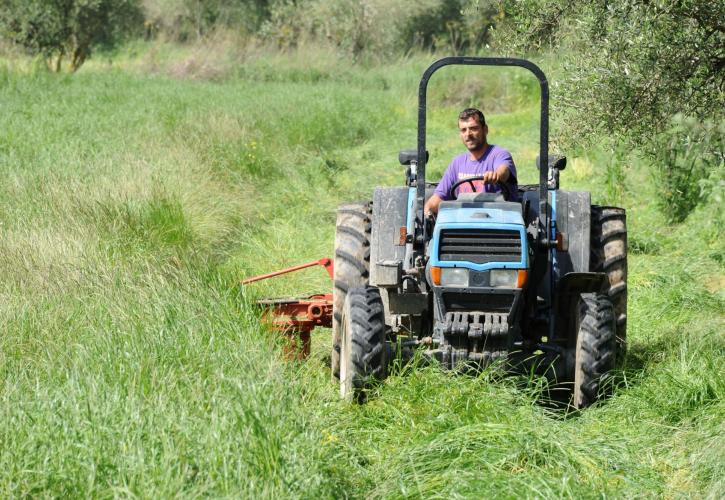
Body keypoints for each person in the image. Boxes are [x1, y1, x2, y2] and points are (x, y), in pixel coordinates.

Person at [424, 108, 518, 217]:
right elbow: (437, 199)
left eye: (473, 128)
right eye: (463, 130)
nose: (468, 134)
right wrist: (428, 209)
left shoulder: (499, 154)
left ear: (485, 129)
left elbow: (504, 171)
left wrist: (496, 175)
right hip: (464, 224)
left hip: (499, 224)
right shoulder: (457, 163)